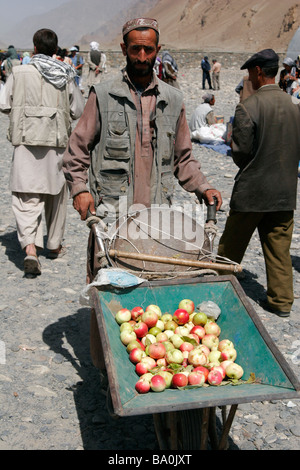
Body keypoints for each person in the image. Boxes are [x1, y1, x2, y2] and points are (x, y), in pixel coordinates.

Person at [62, 16, 222, 377]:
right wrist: (81, 190)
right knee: (107, 289)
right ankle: (107, 372)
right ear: (124, 50)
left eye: (149, 48)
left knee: (157, 292)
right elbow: (76, 153)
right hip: (112, 214)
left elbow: (183, 159)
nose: (142, 55)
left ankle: (151, 366)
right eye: (135, 48)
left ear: (157, 51)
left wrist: (203, 186)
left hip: (159, 218)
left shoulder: (174, 98)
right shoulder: (102, 95)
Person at [217, 48, 300, 318]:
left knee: (230, 247)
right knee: (279, 250)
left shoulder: (248, 107)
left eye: (250, 72)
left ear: (258, 72)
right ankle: (282, 302)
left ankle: (217, 287)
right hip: (285, 192)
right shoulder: (293, 106)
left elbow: (240, 152)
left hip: (252, 193)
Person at [0, 28, 85, 275]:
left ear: (34, 48)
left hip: (26, 143)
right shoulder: (65, 73)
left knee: (26, 199)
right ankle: (54, 246)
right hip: (56, 144)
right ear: (55, 49)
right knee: (56, 197)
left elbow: (4, 104)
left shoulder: (19, 72)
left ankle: (30, 250)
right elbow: (77, 110)